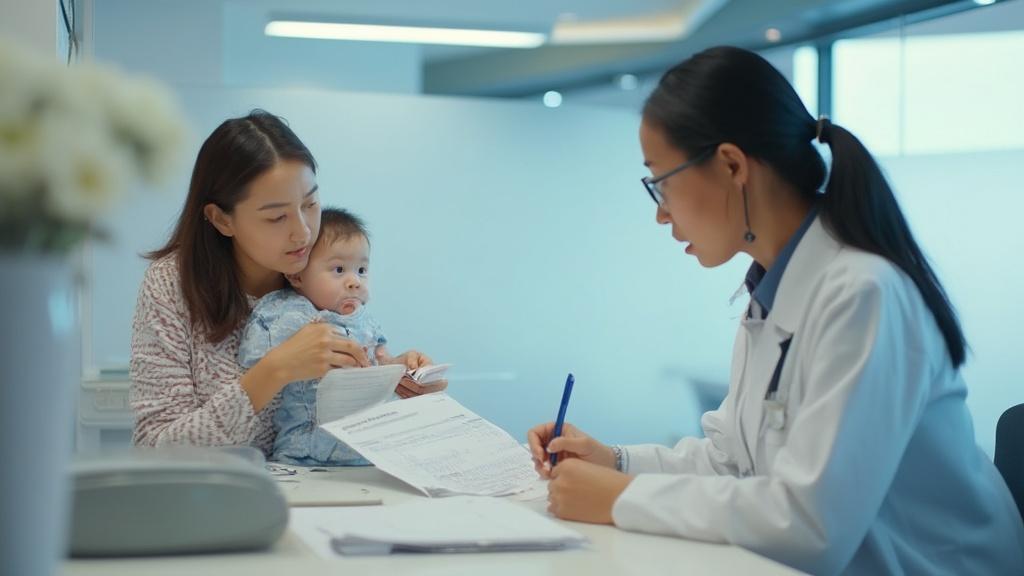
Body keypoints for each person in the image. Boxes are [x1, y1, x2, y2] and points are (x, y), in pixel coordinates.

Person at [527, 46, 1024, 575]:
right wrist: (616, 461)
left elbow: (813, 527)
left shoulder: (864, 292)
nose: (661, 213)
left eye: (662, 183)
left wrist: (622, 498)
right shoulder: (772, 292)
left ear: (732, 165)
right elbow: (731, 462)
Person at [130, 110, 445, 454]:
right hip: (217, 500)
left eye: (310, 203)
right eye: (277, 217)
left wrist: (390, 374)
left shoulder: (320, 268)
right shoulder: (171, 285)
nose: (304, 232)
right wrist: (274, 370)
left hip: (319, 489)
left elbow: (343, 386)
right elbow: (154, 448)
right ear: (221, 219)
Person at [238, 207, 441, 465]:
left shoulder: (366, 322)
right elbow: (253, 361)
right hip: (307, 449)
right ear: (296, 274)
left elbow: (380, 363)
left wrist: (404, 367)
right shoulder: (285, 312)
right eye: (338, 270)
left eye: (361, 270)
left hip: (363, 446)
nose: (354, 281)